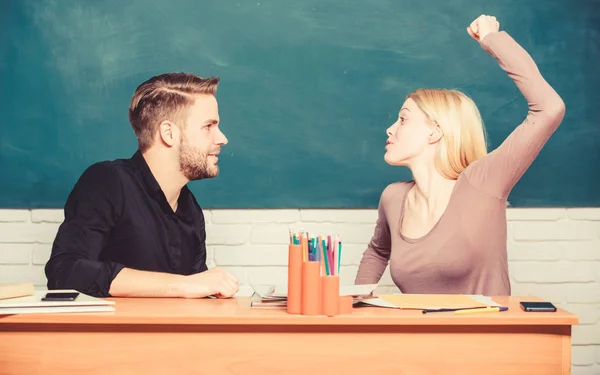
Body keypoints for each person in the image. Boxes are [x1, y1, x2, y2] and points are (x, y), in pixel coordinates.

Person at [355, 15, 565, 295]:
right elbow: (378, 251)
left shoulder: (482, 183)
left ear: (435, 132)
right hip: (418, 338)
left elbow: (549, 108)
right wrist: (354, 306)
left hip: (488, 338)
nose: (390, 129)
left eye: (403, 119)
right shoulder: (393, 198)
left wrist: (492, 39)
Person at [45, 73, 239, 298]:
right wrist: (182, 285)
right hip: (112, 333)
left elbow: (194, 292)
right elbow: (65, 272)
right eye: (208, 126)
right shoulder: (108, 181)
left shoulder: (189, 207)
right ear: (169, 133)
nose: (222, 138)